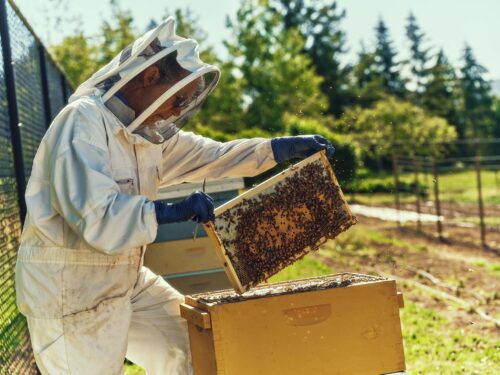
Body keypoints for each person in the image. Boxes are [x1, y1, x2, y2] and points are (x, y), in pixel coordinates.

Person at [15, 18, 334, 374]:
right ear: (150, 77)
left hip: (127, 279)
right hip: (70, 294)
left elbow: (214, 155)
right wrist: (171, 211)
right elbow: (97, 218)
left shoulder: (145, 134)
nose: (178, 111)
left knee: (195, 345)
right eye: (179, 98)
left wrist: (276, 149)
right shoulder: (82, 123)